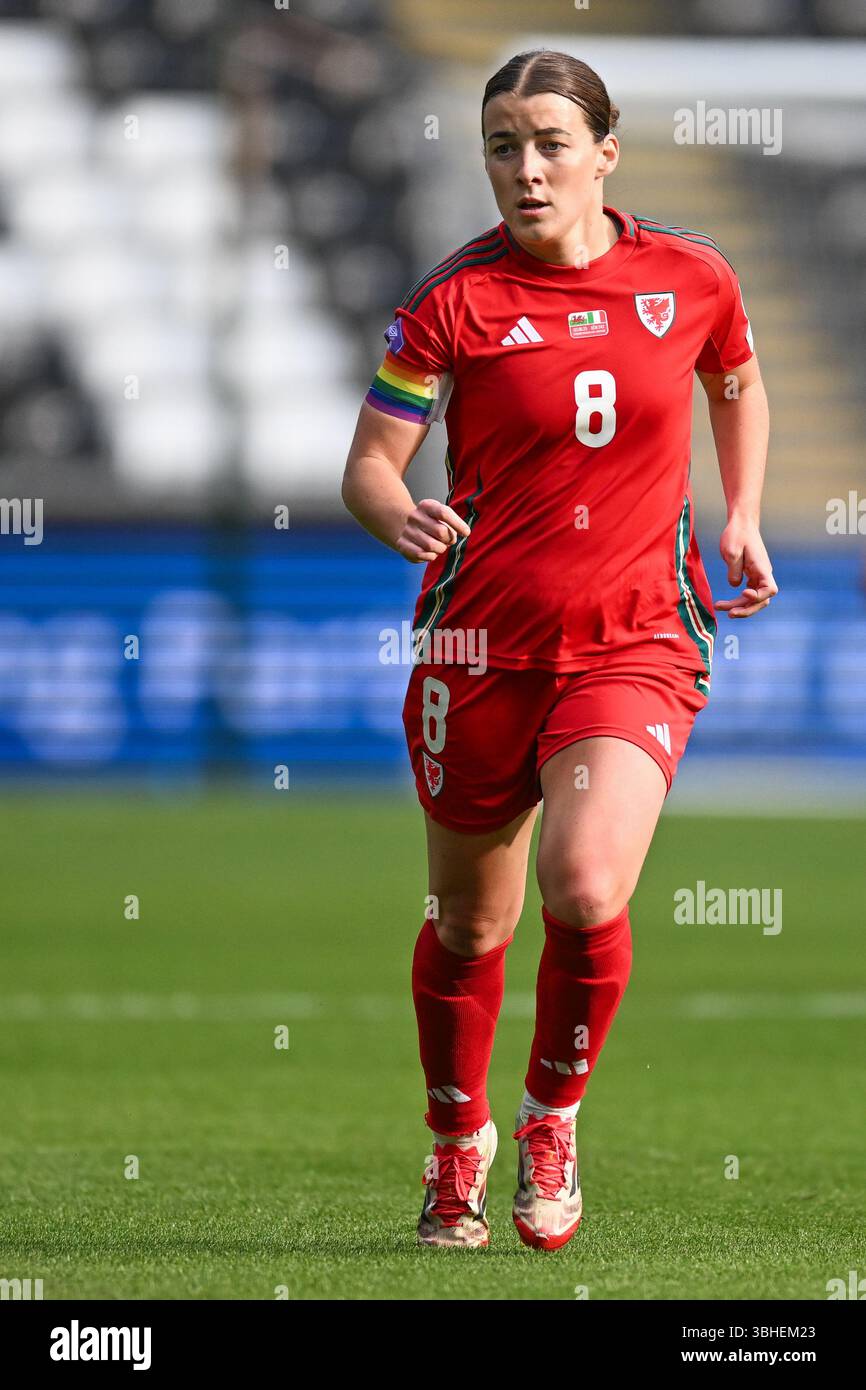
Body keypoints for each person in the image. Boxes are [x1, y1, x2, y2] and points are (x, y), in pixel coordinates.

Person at [341, 48, 777, 1251]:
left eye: (546, 143)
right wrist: (397, 512)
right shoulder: (449, 304)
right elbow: (368, 467)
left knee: (584, 887)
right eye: (500, 145)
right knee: (471, 928)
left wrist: (737, 512)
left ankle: (550, 1119)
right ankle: (453, 1141)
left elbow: (733, 379)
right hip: (478, 649)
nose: (523, 170)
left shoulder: (687, 276)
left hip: (629, 643)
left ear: (603, 152)